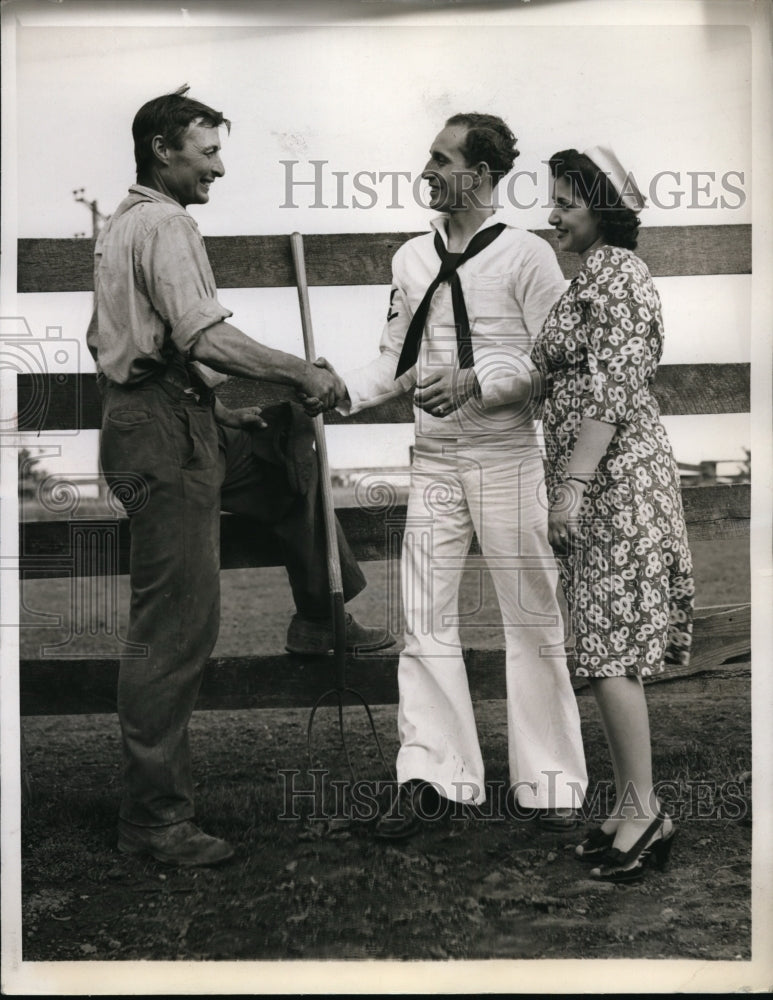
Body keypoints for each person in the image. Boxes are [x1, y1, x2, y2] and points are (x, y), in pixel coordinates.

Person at [87, 86, 393, 867]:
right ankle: (155, 818)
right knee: (174, 630)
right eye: (208, 151)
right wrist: (301, 372)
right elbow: (201, 334)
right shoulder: (163, 221)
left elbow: (148, 341)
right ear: (163, 150)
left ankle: (320, 615)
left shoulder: (124, 223)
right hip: (160, 438)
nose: (218, 168)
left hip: (178, 422)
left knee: (289, 450)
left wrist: (226, 414)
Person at [306, 113, 588, 838]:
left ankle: (550, 782)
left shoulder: (527, 257)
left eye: (441, 157)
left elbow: (548, 363)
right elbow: (395, 358)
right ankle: (434, 778)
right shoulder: (410, 258)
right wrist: (340, 388)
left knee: (531, 614)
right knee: (424, 617)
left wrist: (475, 382)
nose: (427, 167)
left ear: (482, 174)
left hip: (505, 459)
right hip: (432, 461)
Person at [530, 145, 694, 883]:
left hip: (616, 482)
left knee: (610, 653)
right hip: (597, 481)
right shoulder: (586, 281)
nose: (552, 213)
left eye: (565, 200)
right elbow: (545, 375)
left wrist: (570, 485)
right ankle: (630, 804)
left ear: (602, 208)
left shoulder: (620, 275)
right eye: (552, 199)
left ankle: (645, 813)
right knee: (600, 648)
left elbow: (614, 389)